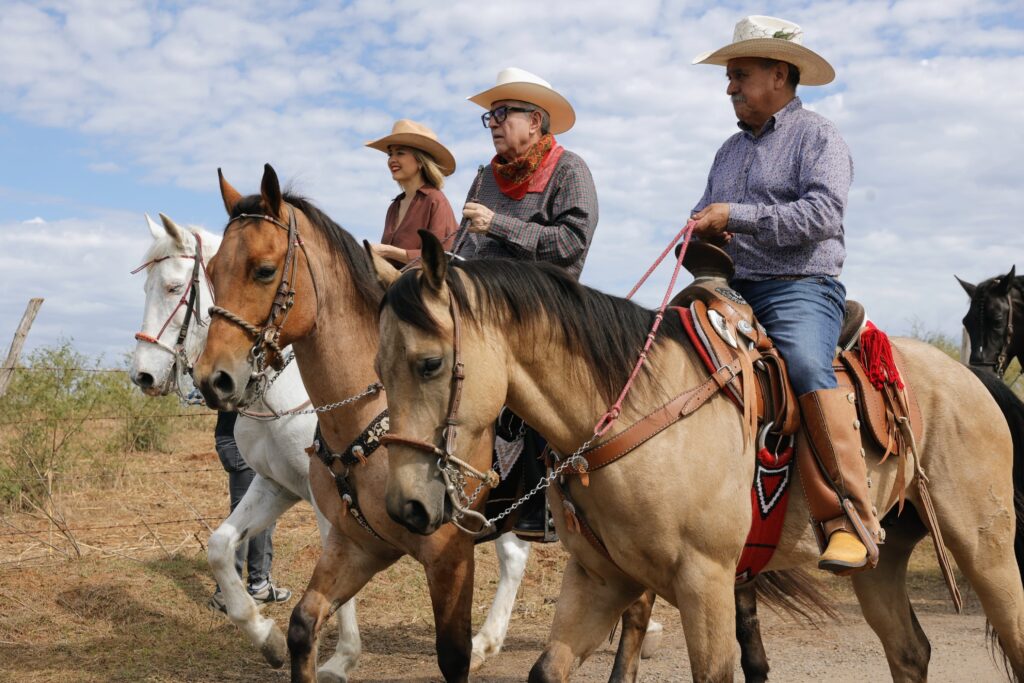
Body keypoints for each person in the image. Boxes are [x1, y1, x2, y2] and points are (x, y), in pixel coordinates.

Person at [690, 16, 879, 574]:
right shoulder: (727, 151)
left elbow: (822, 216)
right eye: (729, 76)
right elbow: (710, 212)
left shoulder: (818, 137)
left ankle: (848, 517)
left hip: (801, 286)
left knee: (801, 363)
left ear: (779, 74)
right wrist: (701, 229)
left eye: (740, 75)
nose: (729, 87)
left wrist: (737, 216)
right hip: (729, 286)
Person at [458, 67, 599, 539]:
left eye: (503, 113)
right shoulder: (484, 178)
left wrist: (498, 224)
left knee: (544, 397)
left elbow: (572, 244)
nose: (494, 123)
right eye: (490, 117)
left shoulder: (569, 168)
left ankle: (542, 500)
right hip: (487, 311)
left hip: (548, 309)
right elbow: (465, 247)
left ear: (536, 121)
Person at [208, 411, 292, 612]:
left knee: (256, 512)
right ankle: (229, 592)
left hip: (240, 439)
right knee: (250, 515)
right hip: (244, 441)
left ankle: (257, 585)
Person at [366, 119, 459, 267]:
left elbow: (440, 258)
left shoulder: (435, 200)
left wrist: (388, 251)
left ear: (420, 161)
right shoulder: (394, 206)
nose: (392, 160)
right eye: (390, 154)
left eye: (400, 153)